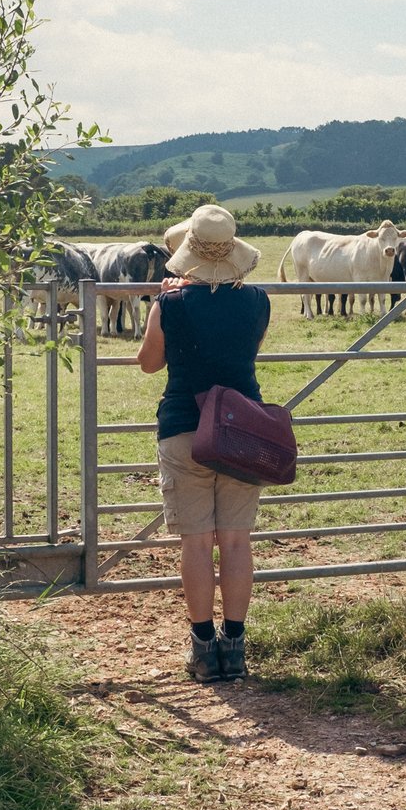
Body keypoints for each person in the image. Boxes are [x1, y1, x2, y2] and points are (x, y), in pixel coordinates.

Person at [136, 204, 270, 683]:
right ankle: (235, 649)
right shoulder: (258, 301)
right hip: (240, 431)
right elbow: (243, 355)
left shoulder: (170, 305)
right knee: (236, 541)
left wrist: (160, 303)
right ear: (233, 252)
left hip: (185, 429)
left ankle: (202, 648)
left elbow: (149, 363)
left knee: (196, 543)